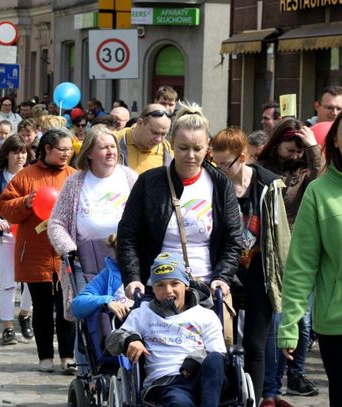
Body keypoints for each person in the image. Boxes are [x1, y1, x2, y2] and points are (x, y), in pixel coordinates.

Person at [117, 104, 241, 300]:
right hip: (157, 289)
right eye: (183, 148)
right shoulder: (148, 182)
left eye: (198, 148)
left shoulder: (220, 184)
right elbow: (128, 235)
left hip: (205, 289)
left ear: (207, 145)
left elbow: (232, 238)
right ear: (171, 143)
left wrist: (223, 277)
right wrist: (132, 278)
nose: (190, 156)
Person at [211, 128, 291, 404]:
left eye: (225, 164)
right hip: (224, 276)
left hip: (259, 274)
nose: (219, 169)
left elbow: (280, 236)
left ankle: (254, 400)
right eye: (215, 163)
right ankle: (229, 396)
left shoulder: (268, 185)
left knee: (256, 346)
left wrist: (281, 278)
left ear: (242, 157)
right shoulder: (214, 185)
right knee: (223, 345)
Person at [0, 129, 76, 373]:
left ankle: (68, 356)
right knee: (41, 308)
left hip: (66, 254)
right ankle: (44, 356)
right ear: (47, 149)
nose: (66, 153)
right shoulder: (25, 176)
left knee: (68, 307)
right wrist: (26, 202)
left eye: (69, 149)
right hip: (34, 253)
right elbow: (4, 206)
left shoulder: (75, 176)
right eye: (62, 149)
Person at [105, 252, 227, 407]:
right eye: (160, 285)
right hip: (166, 383)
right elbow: (112, 341)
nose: (168, 290)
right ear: (153, 289)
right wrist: (131, 339)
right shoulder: (142, 313)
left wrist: (195, 361)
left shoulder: (205, 315)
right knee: (180, 403)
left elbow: (219, 355)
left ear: (186, 285)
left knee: (215, 358)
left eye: (175, 283)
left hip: (203, 379)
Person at [278, 111, 342, 406]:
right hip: (337, 324)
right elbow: (301, 265)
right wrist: (290, 323)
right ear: (336, 142)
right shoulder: (319, 192)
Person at [258, 117, 324, 398]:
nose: (295, 156)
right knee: (279, 320)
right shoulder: (263, 169)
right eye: (291, 149)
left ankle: (296, 375)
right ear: (276, 144)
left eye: (300, 151)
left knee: (303, 321)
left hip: (302, 252)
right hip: (272, 253)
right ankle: (272, 380)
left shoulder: (307, 171)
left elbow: (322, 179)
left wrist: (312, 148)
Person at [48, 124, 138, 317]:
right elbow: (56, 223)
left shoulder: (130, 178)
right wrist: (69, 250)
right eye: (103, 147)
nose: (110, 151)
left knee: (126, 314)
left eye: (113, 146)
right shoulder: (75, 182)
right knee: (90, 317)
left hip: (124, 261)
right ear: (89, 153)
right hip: (86, 263)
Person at [0, 135, 33, 345]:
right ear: (7, 154)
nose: (20, 157)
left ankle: (25, 314)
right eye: (16, 152)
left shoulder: (31, 176)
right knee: (8, 282)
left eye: (23, 152)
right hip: (5, 237)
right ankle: (7, 326)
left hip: (29, 236)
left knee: (31, 281)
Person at [116, 104, 173, 174]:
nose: (158, 139)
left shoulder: (168, 151)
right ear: (140, 123)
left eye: (163, 134)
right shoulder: (114, 141)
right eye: (154, 132)